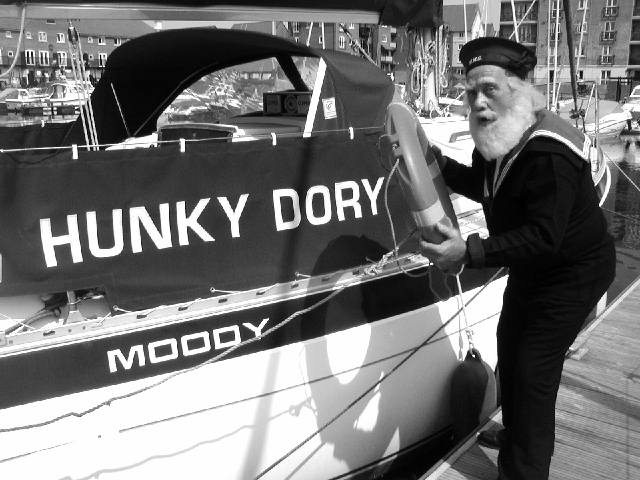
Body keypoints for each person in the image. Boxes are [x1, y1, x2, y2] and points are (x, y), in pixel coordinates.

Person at [420, 37, 616, 480]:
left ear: (520, 88)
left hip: (573, 273)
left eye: (490, 89)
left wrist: (469, 251)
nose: (478, 102)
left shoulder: (549, 149)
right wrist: (436, 164)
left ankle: (524, 470)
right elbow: (487, 189)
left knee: (532, 372)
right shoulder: (497, 135)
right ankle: (516, 435)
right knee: (509, 352)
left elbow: (544, 236)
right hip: (533, 269)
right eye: (471, 92)